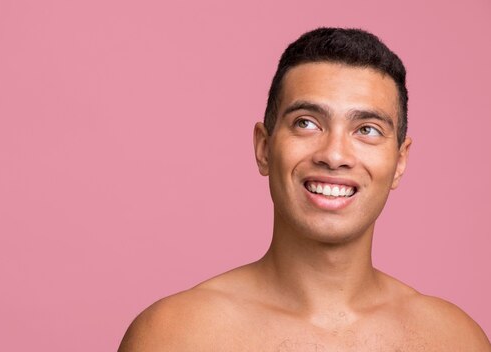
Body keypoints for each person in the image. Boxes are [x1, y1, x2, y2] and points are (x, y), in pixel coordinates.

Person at [118, 27, 491, 351]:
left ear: (400, 162)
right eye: (307, 123)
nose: (334, 154)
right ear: (264, 148)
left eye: (367, 130)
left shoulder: (455, 339)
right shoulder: (175, 334)